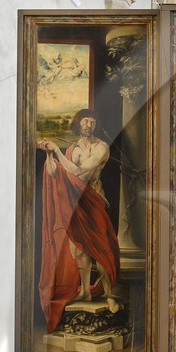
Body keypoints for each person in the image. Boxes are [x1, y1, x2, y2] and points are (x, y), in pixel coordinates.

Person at [38, 109, 121, 331]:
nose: (89, 125)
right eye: (85, 121)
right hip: (75, 202)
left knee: (101, 248)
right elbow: (55, 173)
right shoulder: (73, 149)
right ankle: (84, 290)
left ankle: (109, 295)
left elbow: (78, 171)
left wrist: (56, 150)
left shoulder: (101, 147)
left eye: (92, 121)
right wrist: (49, 155)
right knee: (79, 248)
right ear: (79, 124)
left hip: (94, 199)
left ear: (96, 125)